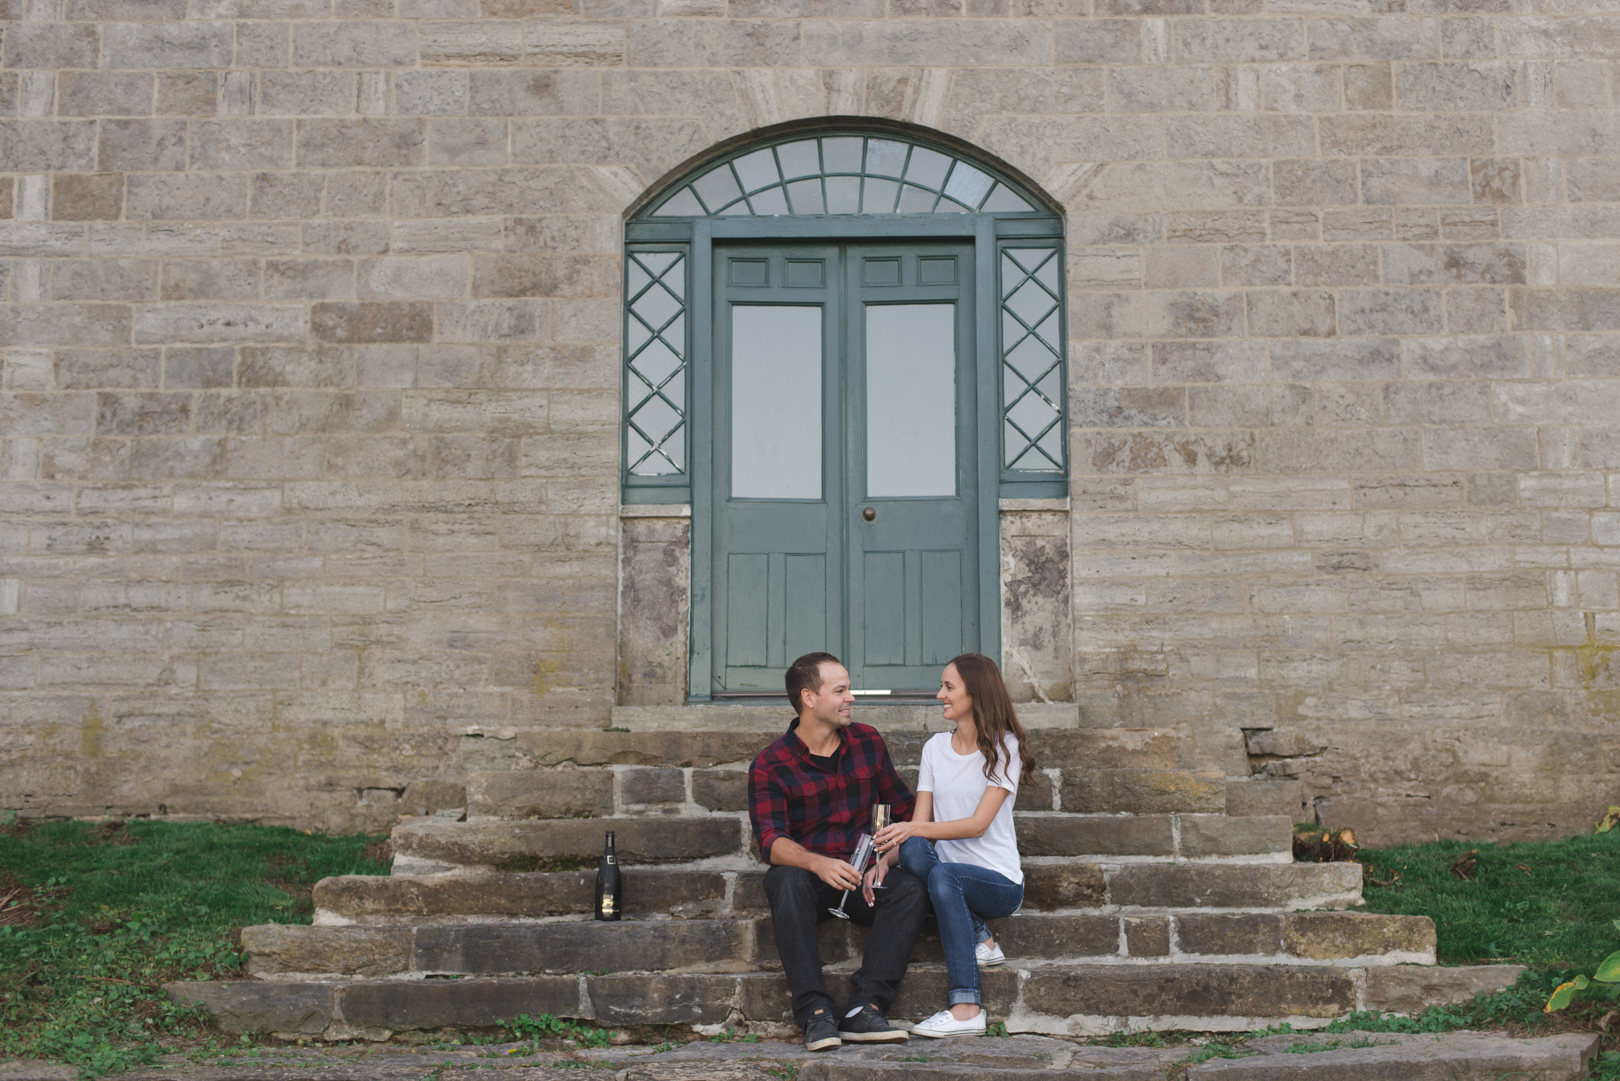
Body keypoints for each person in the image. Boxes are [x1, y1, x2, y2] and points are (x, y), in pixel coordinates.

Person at [748, 652, 927, 1052]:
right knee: (785, 879)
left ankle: (865, 1006)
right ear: (809, 698)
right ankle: (815, 1012)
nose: (851, 698)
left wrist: (885, 859)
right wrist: (818, 863)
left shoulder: (867, 742)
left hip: (863, 879)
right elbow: (770, 841)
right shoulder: (770, 765)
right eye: (841, 690)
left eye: (849, 689)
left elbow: (904, 810)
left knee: (910, 889)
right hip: (811, 882)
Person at [871, 653, 1035, 1039]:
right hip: (944, 876)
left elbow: (978, 825)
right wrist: (884, 861)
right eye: (942, 686)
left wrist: (912, 829)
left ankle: (967, 1008)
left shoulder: (1004, 747)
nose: (939, 694)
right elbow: (920, 827)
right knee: (913, 849)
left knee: (940, 868)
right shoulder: (934, 748)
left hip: (997, 883)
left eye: (948, 687)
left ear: (975, 693)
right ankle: (981, 936)